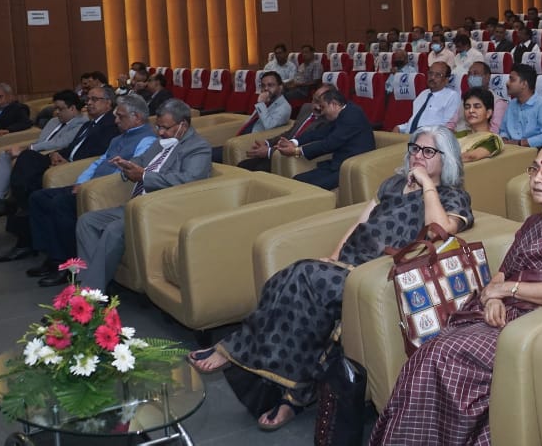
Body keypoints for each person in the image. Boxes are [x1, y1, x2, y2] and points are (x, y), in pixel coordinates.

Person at [188, 125, 475, 430]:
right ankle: (292, 395)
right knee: (286, 279)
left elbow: (438, 231)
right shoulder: (393, 184)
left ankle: (237, 351)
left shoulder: (453, 196)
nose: (418, 156)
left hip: (379, 275)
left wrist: (427, 184)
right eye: (415, 149)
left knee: (305, 276)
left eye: (428, 152)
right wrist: (335, 255)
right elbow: (360, 224)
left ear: (446, 159)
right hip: (350, 263)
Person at [371, 142, 542, 445]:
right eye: (535, 169)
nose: (537, 178)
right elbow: (502, 272)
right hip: (505, 312)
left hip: (538, 321)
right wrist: (493, 297)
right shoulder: (533, 222)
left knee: (440, 355)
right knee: (430, 352)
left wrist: (507, 289)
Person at [74, 99, 212, 291]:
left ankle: (89, 294)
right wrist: (127, 165)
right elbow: (140, 159)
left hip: (160, 209)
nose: (160, 132)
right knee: (87, 221)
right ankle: (86, 283)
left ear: (183, 125)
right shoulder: (160, 142)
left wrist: (145, 176)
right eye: (158, 126)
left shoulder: (198, 147)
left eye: (165, 128)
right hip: (135, 205)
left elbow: (190, 180)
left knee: (114, 230)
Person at [30, 94, 158, 287]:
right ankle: (53, 256)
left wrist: (89, 187)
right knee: (39, 198)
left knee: (60, 204)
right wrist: (81, 182)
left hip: (104, 189)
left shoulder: (147, 139)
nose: (116, 121)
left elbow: (129, 169)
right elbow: (99, 161)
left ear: (137, 118)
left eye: (120, 116)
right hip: (90, 185)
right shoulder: (118, 138)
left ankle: (67, 262)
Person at [0, 86, 121, 263]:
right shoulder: (89, 123)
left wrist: (68, 163)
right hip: (65, 160)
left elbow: (98, 153)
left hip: (75, 166)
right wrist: (57, 154)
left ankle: (17, 204)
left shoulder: (110, 125)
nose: (89, 103)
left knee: (33, 192)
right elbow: (72, 147)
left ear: (108, 103)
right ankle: (18, 200)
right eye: (88, 99)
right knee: (27, 158)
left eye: (95, 100)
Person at [0, 90, 88, 241]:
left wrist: (27, 149)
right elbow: (42, 141)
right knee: (4, 155)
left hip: (51, 156)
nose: (56, 112)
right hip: (37, 152)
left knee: (19, 159)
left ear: (72, 108)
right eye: (55, 108)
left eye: (60, 109)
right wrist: (26, 149)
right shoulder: (53, 121)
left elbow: (60, 143)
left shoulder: (82, 123)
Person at [273, 87, 376, 190]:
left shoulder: (352, 115)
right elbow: (319, 133)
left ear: (334, 104)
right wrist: (294, 142)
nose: (321, 112)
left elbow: (329, 144)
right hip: (337, 165)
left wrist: (296, 151)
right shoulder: (342, 112)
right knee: (297, 180)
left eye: (323, 107)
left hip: (349, 169)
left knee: (308, 188)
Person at [237, 85, 329, 172]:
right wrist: (267, 142)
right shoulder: (306, 108)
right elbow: (290, 133)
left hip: (290, 157)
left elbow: (308, 144)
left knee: (257, 170)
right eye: (315, 101)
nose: (317, 107)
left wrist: (269, 151)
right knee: (242, 165)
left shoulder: (327, 121)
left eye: (322, 104)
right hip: (278, 150)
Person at [396, 62, 462, 133]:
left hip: (429, 137)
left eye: (438, 75)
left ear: (446, 80)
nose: (432, 77)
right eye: (430, 73)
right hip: (410, 136)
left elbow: (447, 128)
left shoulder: (452, 96)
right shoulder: (423, 94)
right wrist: (400, 128)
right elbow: (415, 121)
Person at [455, 87, 504, 162]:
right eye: (467, 107)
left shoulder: (492, 139)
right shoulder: (461, 134)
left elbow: (471, 156)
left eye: (477, 107)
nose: (471, 111)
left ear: (488, 113)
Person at [457, 61, 507, 133]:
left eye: (475, 73)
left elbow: (495, 131)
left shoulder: (498, 103)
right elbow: (452, 123)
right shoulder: (465, 98)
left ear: (487, 77)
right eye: (469, 74)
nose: (471, 77)